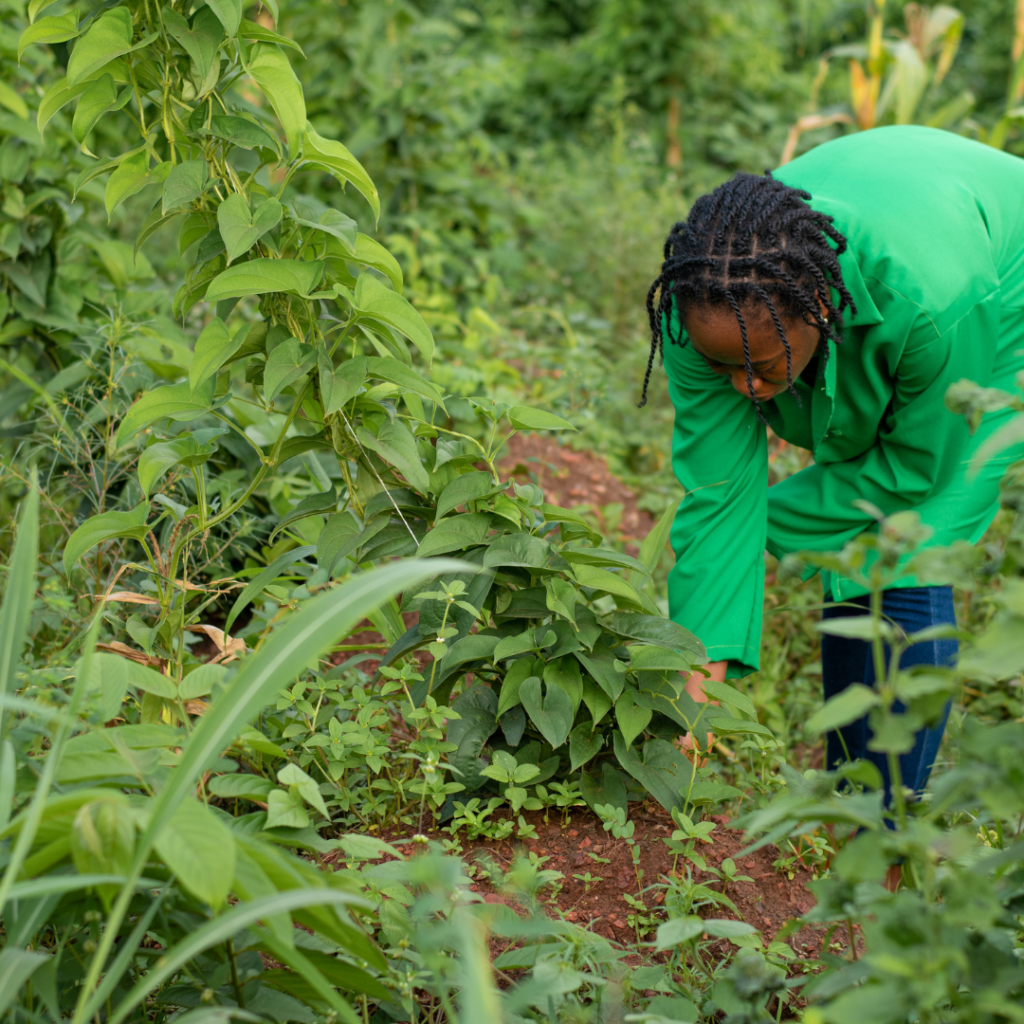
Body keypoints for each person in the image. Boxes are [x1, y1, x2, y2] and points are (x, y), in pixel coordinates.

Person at [644, 125, 1024, 800]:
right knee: (739, 522)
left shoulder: (936, 302)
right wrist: (693, 695)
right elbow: (720, 489)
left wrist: (759, 527)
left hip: (996, 272)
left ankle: (881, 816)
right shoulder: (704, 301)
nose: (741, 387)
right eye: (719, 366)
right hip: (892, 222)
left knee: (903, 535)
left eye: (758, 368)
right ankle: (853, 801)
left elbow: (915, 471)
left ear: (821, 308)